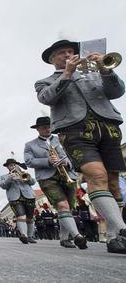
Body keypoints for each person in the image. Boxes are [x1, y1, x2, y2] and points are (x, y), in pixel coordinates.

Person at [35, 39, 126, 253]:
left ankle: (114, 238)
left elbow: (117, 91)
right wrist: (67, 74)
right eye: (61, 53)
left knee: (113, 182)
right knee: (97, 176)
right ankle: (122, 229)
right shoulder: (45, 81)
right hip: (74, 129)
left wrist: (105, 70)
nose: (67, 55)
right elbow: (46, 98)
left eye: (70, 51)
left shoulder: (93, 72)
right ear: (52, 59)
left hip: (107, 124)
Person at [24, 116, 86, 249]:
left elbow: (72, 155)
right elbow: (29, 161)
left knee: (68, 208)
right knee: (62, 205)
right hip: (47, 178)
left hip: (68, 174)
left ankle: (64, 238)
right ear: (38, 129)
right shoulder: (30, 145)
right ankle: (77, 236)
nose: (47, 129)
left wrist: (67, 162)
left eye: (49, 126)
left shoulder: (61, 139)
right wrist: (47, 161)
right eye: (44, 127)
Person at [0, 159, 37, 244]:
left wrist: (25, 176)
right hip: (15, 198)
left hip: (28, 196)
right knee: (21, 216)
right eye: (10, 165)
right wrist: (9, 178)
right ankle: (24, 235)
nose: (12, 166)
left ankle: (30, 236)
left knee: (30, 218)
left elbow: (33, 182)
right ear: (7, 167)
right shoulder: (4, 176)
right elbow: (2, 186)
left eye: (14, 165)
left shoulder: (23, 173)